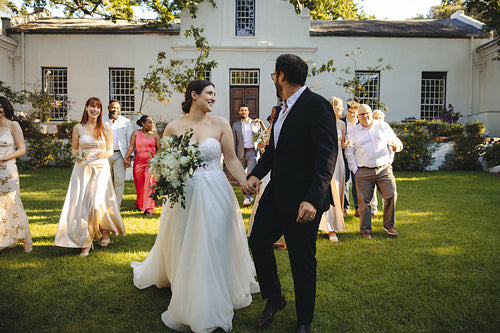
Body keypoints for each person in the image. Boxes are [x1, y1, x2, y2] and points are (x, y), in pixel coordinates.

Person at [131, 80, 259, 333]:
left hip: (215, 190)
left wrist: (243, 180)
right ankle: (185, 283)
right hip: (184, 193)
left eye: (215, 93)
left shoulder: (221, 123)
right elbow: (164, 161)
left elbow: (231, 159)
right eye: (209, 93)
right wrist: (166, 180)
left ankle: (215, 285)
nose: (213, 98)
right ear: (194, 95)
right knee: (182, 237)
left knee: (214, 238)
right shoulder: (173, 127)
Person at [246, 54, 338, 333]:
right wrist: (255, 175)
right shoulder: (282, 109)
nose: (274, 80)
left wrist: (312, 198)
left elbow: (327, 156)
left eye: (274, 75)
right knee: (259, 241)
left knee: (301, 259)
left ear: (281, 76)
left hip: (305, 199)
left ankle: (303, 321)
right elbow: (274, 152)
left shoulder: (317, 106)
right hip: (276, 193)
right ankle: (275, 298)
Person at [55, 97, 126, 257]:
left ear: (101, 111)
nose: (95, 110)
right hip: (82, 169)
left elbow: (110, 150)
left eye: (98, 108)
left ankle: (103, 230)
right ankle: (86, 242)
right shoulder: (78, 128)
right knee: (83, 205)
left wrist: (103, 154)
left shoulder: (105, 128)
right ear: (86, 108)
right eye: (92, 107)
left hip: (100, 169)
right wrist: (78, 156)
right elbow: (74, 148)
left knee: (96, 203)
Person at [346, 104, 403, 240]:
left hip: (384, 169)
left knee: (391, 194)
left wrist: (397, 147)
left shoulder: (383, 126)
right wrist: (355, 170)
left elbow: (396, 141)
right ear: (357, 117)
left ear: (371, 113)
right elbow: (349, 152)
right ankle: (365, 230)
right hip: (363, 171)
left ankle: (388, 225)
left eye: (367, 113)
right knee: (364, 202)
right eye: (362, 115)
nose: (365, 116)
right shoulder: (353, 132)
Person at [248, 105, 286, 249]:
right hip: (266, 164)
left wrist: (265, 144)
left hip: (275, 169)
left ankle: (281, 239)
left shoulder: (280, 126)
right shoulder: (271, 126)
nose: (271, 115)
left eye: (273, 112)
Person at [0, 97, 32, 253]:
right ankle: (3, 238)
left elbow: (21, 149)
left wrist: (4, 158)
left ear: (6, 108)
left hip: (8, 170)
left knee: (13, 202)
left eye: (0, 107)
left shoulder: (13, 125)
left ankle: (25, 240)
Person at [319, 97, 346, 243]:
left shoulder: (342, 124)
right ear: (332, 107)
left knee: (337, 192)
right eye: (340, 106)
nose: (342, 109)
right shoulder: (321, 122)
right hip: (326, 160)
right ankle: (328, 228)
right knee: (326, 192)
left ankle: (334, 224)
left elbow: (341, 145)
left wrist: (346, 145)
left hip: (339, 161)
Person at [123, 115, 160, 216]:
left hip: (151, 163)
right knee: (140, 186)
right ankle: (140, 204)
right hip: (138, 162)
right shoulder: (136, 133)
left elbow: (159, 149)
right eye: (149, 122)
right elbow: (131, 146)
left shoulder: (155, 136)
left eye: (152, 122)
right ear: (143, 124)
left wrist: (155, 160)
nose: (151, 125)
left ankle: (148, 208)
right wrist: (126, 157)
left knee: (150, 184)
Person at [232, 104, 266, 207]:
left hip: (252, 153)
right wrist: (234, 155)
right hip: (240, 153)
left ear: (248, 112)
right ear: (239, 112)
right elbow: (234, 141)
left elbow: (262, 136)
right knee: (242, 177)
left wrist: (260, 149)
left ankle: (248, 198)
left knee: (250, 175)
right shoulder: (235, 125)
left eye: (245, 110)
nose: (243, 112)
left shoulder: (255, 124)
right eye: (241, 110)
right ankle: (245, 193)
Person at [103, 99, 133, 208]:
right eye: (113, 107)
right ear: (108, 108)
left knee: (119, 181)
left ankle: (116, 206)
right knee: (106, 181)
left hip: (120, 155)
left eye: (117, 108)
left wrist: (129, 157)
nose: (115, 110)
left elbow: (130, 140)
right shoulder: (101, 121)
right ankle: (105, 204)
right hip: (105, 155)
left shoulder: (126, 122)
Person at [342, 100, 359, 216]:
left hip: (357, 156)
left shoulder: (360, 123)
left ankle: (358, 207)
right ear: (347, 111)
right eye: (350, 112)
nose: (352, 115)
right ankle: (345, 207)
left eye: (354, 112)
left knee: (357, 181)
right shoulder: (341, 122)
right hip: (343, 154)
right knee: (344, 181)